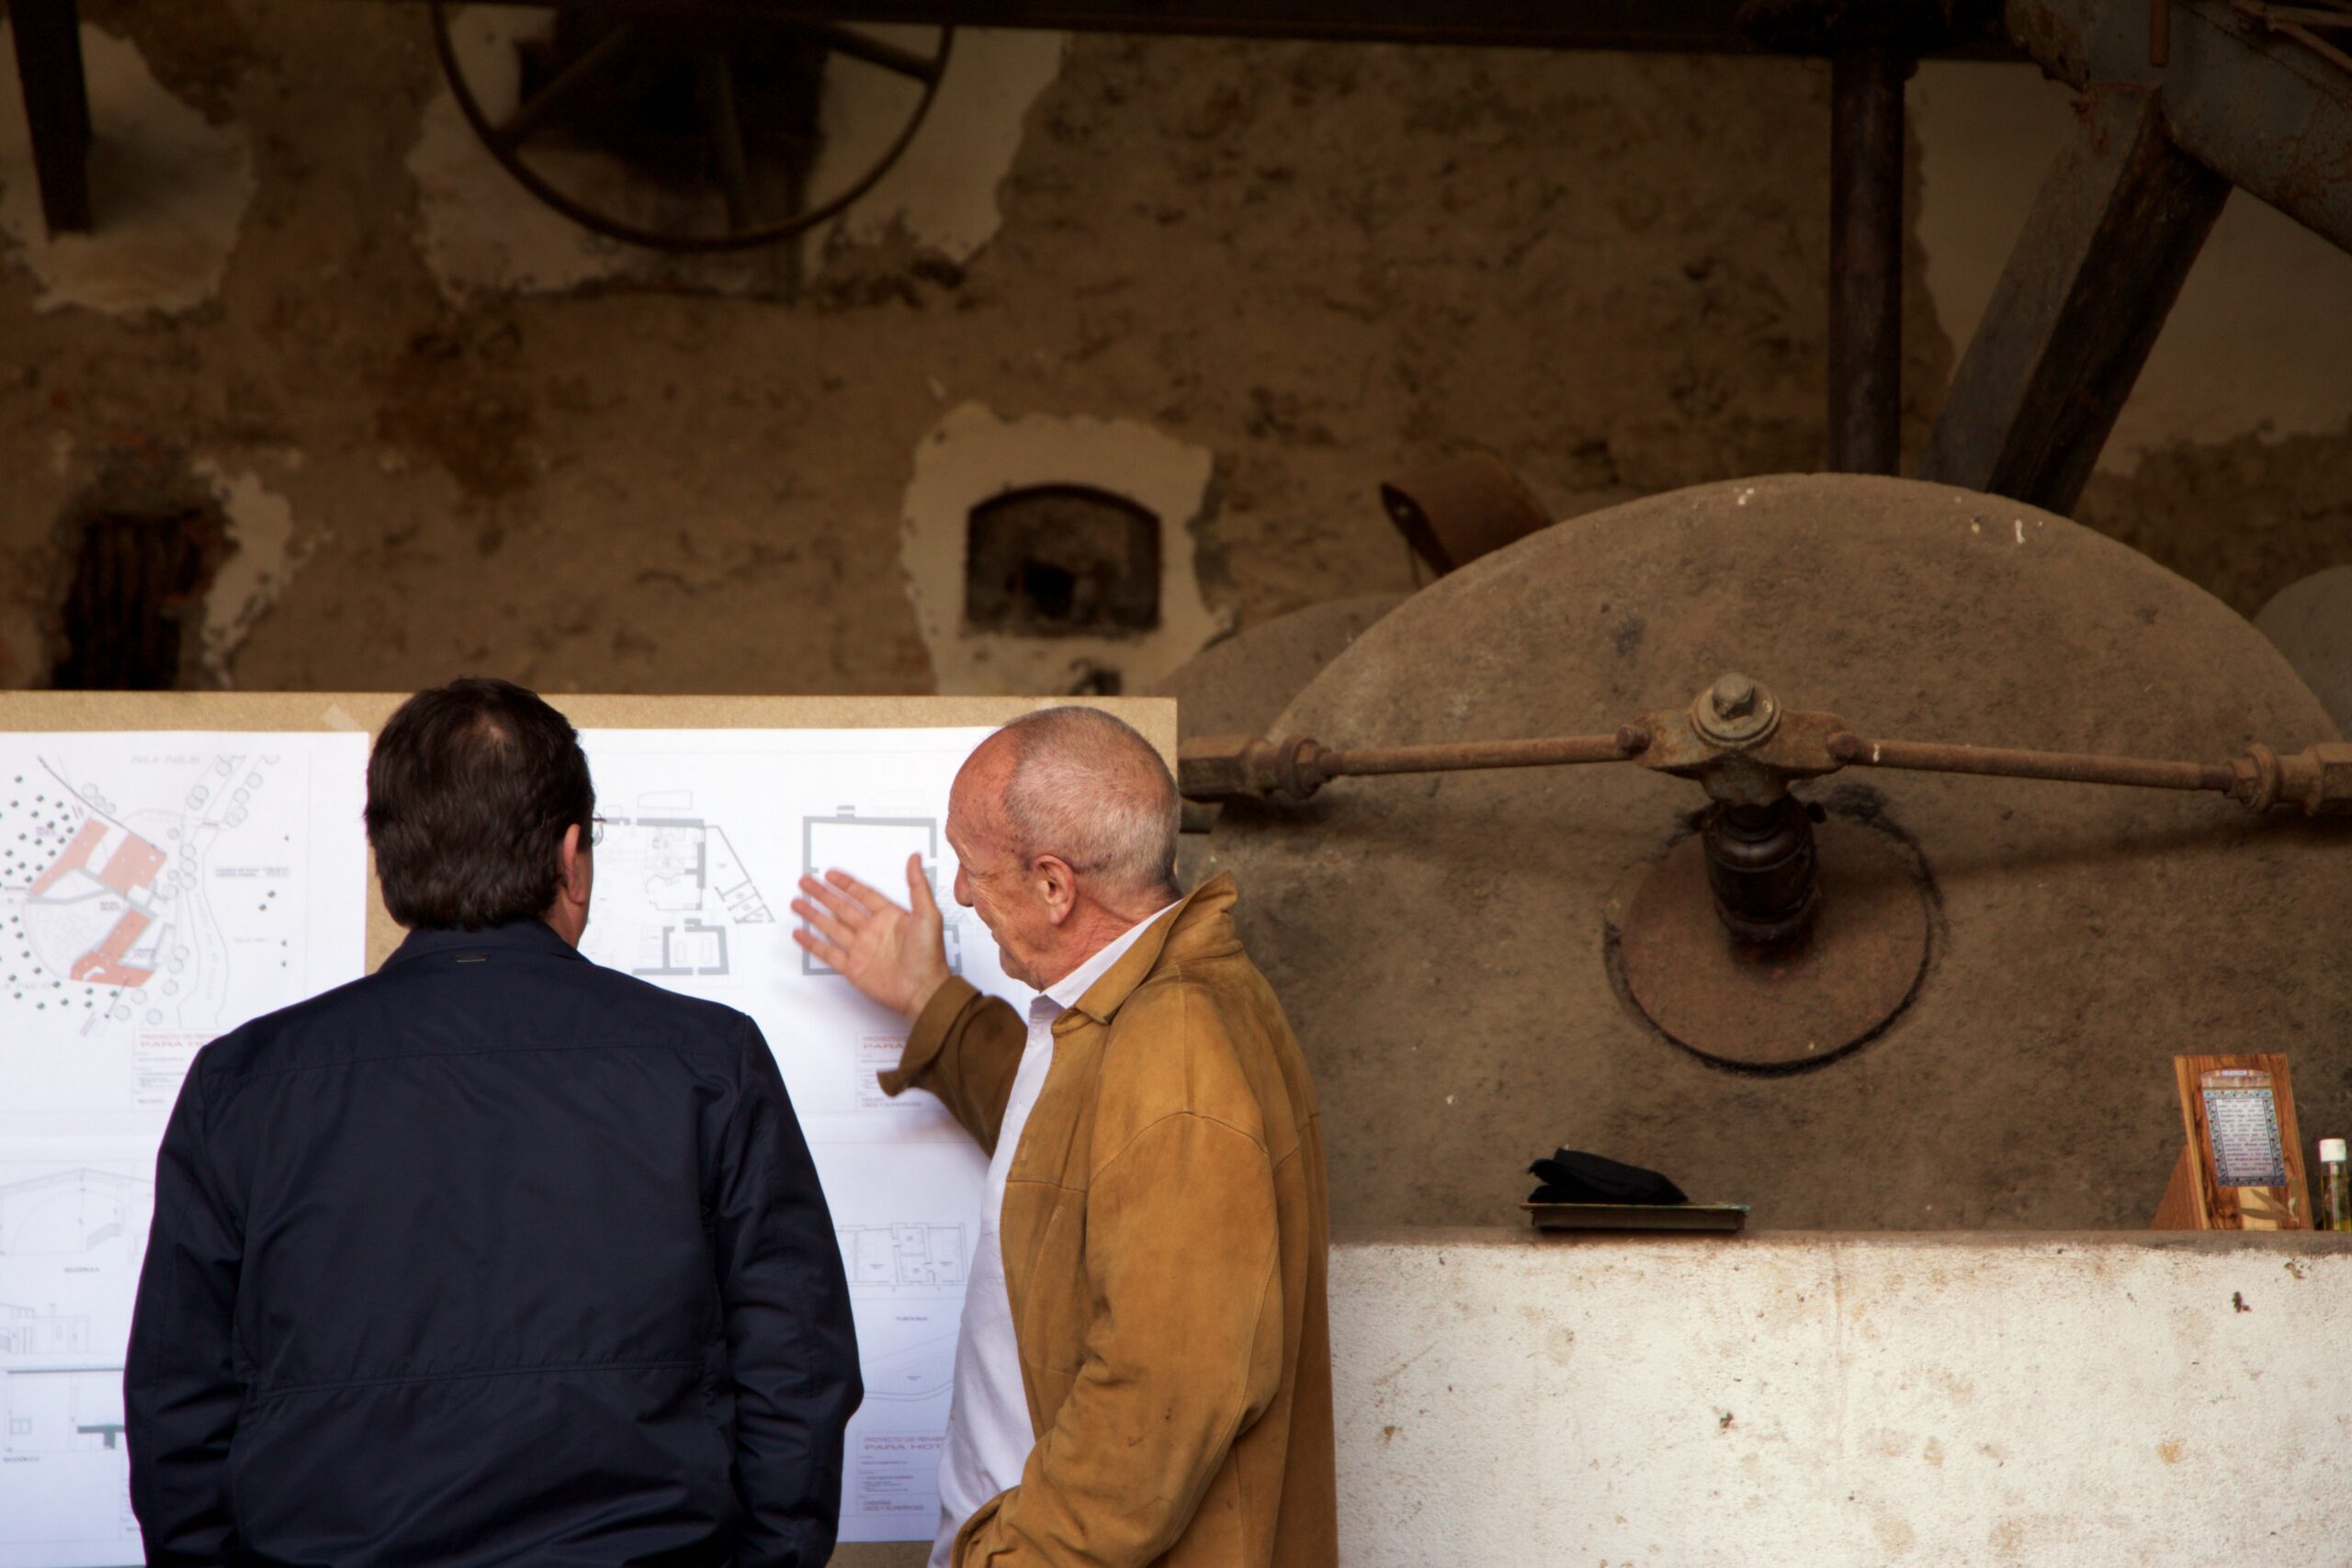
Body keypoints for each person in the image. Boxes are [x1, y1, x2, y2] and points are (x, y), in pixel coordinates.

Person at [125, 677, 861, 1568]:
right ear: (572, 855)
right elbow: (799, 1369)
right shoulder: (707, 1063)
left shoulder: (243, 1085)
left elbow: (178, 1403)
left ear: (389, 863)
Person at [791, 705, 1336, 1568]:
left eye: (973, 867)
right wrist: (931, 997)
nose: (962, 893)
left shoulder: (1179, 1054)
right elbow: (1071, 1146)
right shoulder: (1139, 1010)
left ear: (1054, 884)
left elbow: (1159, 1404)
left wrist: (1007, 1558)